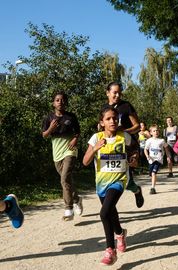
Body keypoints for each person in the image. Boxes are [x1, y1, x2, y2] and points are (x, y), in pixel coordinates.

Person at [83, 107, 129, 266]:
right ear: (102, 122)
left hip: (119, 180)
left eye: (115, 118)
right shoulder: (96, 138)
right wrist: (95, 148)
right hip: (101, 183)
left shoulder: (124, 136)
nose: (112, 121)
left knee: (104, 213)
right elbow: (85, 161)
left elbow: (135, 148)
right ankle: (120, 233)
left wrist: (135, 157)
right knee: (111, 213)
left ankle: (110, 250)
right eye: (108, 119)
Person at [102, 82, 144, 208]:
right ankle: (109, 207)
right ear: (108, 93)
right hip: (110, 146)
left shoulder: (126, 106)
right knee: (109, 174)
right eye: (115, 92)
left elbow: (137, 126)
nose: (117, 95)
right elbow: (102, 124)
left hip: (127, 146)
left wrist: (124, 132)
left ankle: (136, 190)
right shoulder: (104, 108)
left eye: (119, 92)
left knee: (125, 179)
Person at [42, 91, 83, 221]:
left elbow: (78, 132)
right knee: (67, 180)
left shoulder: (71, 117)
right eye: (57, 100)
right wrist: (51, 129)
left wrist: (75, 139)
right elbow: (44, 135)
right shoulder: (49, 118)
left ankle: (68, 208)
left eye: (63, 100)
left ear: (66, 102)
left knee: (64, 179)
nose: (60, 102)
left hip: (70, 150)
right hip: (57, 153)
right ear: (53, 103)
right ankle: (77, 199)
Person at [144, 125, 170, 194]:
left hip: (158, 160)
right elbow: (145, 149)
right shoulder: (149, 141)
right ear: (151, 133)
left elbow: (166, 147)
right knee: (151, 173)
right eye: (154, 131)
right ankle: (152, 178)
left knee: (153, 173)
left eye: (157, 130)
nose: (156, 132)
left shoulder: (161, 140)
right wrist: (147, 156)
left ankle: (153, 188)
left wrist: (168, 156)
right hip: (151, 160)